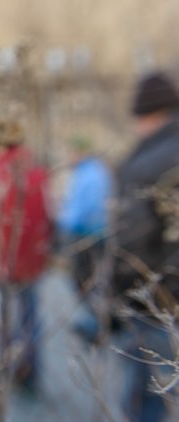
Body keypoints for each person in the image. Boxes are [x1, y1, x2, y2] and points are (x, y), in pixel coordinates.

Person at [111, 71, 179, 422]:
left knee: (145, 406)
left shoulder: (142, 167)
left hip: (159, 305)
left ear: (146, 116)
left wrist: (117, 302)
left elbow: (130, 249)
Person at [0, 121, 52, 391]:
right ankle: (30, 369)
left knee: (4, 315)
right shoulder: (38, 173)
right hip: (33, 258)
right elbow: (51, 215)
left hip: (3, 256)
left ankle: (6, 366)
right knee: (30, 314)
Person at [57, 136, 112, 343]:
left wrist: (61, 222)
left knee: (84, 282)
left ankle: (95, 323)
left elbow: (79, 211)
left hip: (85, 235)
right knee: (95, 281)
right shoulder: (98, 171)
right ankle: (99, 321)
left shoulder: (87, 175)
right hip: (98, 233)